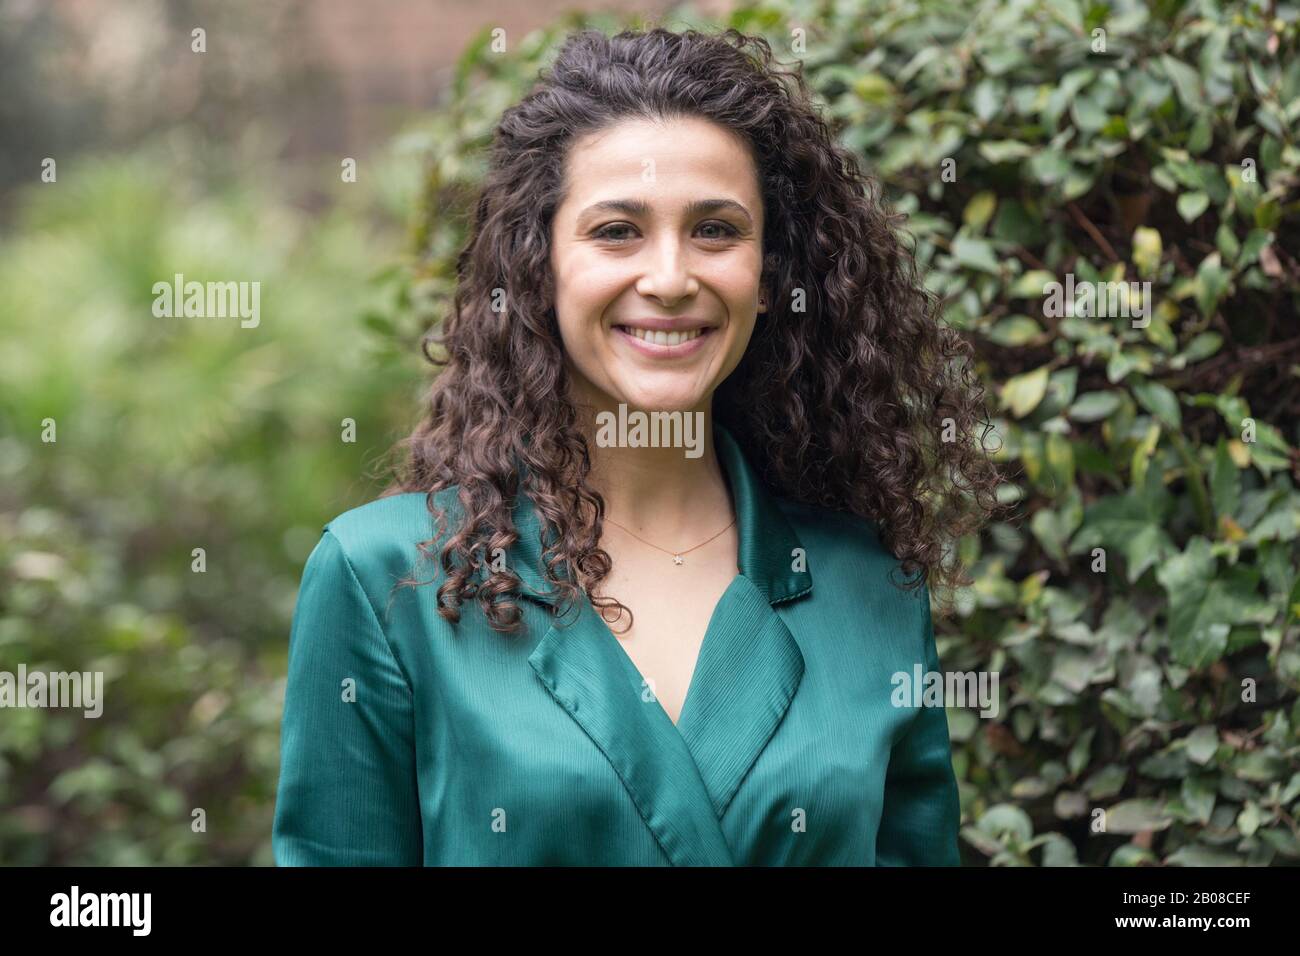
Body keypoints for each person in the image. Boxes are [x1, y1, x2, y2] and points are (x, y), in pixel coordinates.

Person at [272, 26, 1002, 866]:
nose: (668, 277)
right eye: (617, 230)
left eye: (716, 231)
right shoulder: (383, 580)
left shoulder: (867, 586)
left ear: (769, 276)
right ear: (539, 265)